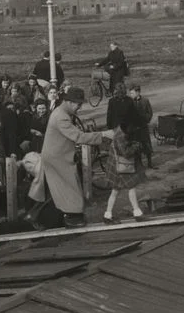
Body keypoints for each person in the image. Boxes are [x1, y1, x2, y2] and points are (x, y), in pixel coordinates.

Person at [40, 87, 114, 228]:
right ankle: (72, 218)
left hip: (59, 158)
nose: (79, 108)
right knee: (70, 189)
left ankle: (69, 217)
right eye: (78, 104)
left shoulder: (61, 113)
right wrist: (104, 134)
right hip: (57, 160)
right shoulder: (61, 116)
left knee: (66, 190)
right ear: (69, 102)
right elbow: (78, 136)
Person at [103, 121, 146, 224]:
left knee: (115, 191)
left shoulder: (119, 132)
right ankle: (137, 212)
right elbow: (126, 153)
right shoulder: (121, 137)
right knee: (131, 187)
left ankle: (108, 215)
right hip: (121, 168)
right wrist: (137, 145)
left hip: (115, 167)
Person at [129, 85, 155, 169]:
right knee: (137, 146)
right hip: (135, 128)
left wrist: (145, 120)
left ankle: (150, 163)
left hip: (143, 127)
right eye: (130, 93)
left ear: (137, 92)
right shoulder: (130, 102)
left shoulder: (145, 101)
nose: (131, 95)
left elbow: (150, 113)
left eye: (132, 93)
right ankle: (140, 164)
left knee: (147, 145)